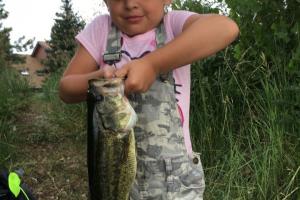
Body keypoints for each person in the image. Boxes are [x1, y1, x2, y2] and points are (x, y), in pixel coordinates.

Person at [59, 0, 239, 199]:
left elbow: (226, 28)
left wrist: (152, 65)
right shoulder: (101, 29)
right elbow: (66, 89)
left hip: (174, 182)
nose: (129, 4)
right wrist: (98, 80)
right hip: (114, 177)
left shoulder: (173, 25)